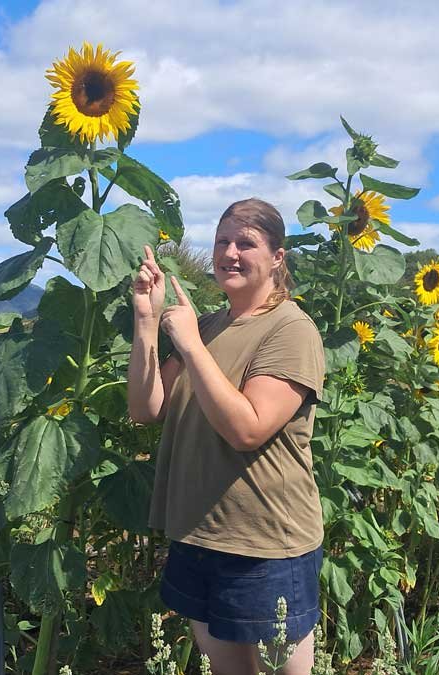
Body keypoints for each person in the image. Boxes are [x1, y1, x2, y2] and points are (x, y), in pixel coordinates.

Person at [127, 198, 326, 674]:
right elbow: (146, 407)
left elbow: (248, 428)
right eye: (222, 241)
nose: (229, 253)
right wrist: (147, 320)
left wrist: (191, 343)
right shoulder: (214, 325)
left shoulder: (290, 329)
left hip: (264, 542)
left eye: (246, 243)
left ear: (278, 257)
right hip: (201, 532)